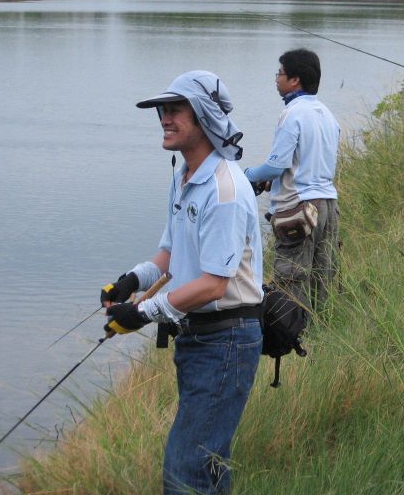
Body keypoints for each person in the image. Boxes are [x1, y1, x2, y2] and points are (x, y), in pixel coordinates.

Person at [101, 70, 264, 495]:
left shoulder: (225, 189)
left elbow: (212, 284)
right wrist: (130, 282)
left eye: (175, 110)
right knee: (205, 464)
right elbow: (170, 255)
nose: (164, 119)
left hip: (227, 340)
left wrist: (140, 313)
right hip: (198, 338)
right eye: (162, 110)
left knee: (185, 467)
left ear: (205, 116)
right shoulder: (185, 176)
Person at [245, 49, 340, 315]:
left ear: (294, 80)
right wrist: (272, 181)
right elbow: (307, 164)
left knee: (292, 280)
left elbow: (275, 166)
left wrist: (248, 176)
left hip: (300, 209)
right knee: (322, 276)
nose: (276, 79)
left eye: (280, 73)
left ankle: (296, 338)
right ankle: (320, 334)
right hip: (329, 206)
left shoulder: (292, 113)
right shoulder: (327, 114)